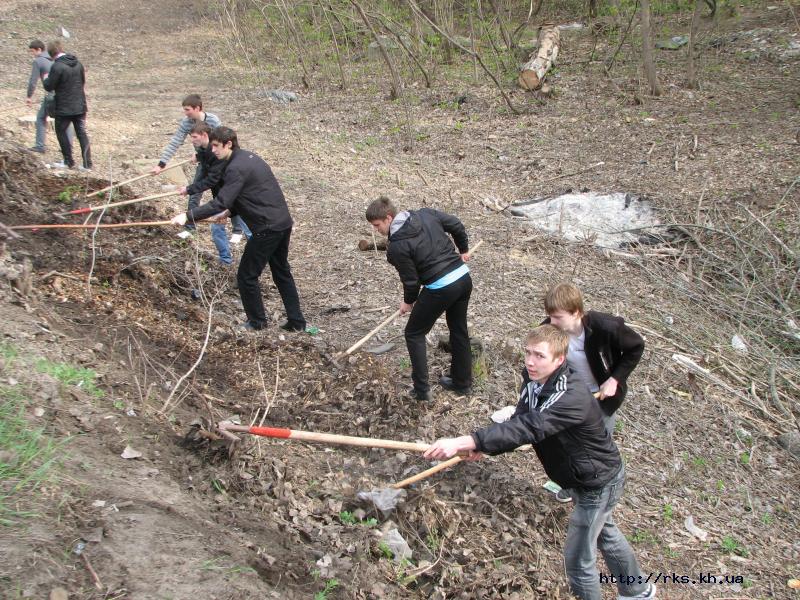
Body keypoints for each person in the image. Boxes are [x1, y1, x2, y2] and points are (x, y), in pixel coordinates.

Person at [424, 325, 656, 600]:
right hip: (582, 476)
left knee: (579, 563)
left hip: (598, 481)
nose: (530, 361)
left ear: (559, 359)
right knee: (605, 532)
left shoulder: (570, 396)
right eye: (528, 353)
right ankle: (638, 591)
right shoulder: (536, 382)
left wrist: (467, 440)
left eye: (539, 356)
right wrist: (483, 447)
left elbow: (532, 427)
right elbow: (521, 419)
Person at [170, 126, 306, 333]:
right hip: (282, 222)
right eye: (212, 145)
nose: (213, 150)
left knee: (246, 276)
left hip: (267, 227)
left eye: (216, 146)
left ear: (228, 144)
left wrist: (188, 216)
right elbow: (250, 194)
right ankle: (297, 322)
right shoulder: (246, 158)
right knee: (281, 272)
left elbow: (220, 202)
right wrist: (229, 212)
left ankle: (257, 322)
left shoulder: (236, 167)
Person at [366, 197, 472, 401]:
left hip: (442, 287)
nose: (376, 230)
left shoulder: (397, 246)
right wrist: (463, 250)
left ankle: (422, 391)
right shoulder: (425, 214)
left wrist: (408, 301)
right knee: (459, 329)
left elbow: (411, 281)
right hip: (463, 278)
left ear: (388, 218)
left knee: (414, 333)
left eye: (377, 225)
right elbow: (456, 224)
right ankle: (462, 383)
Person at [544, 283, 644, 437]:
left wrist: (614, 379)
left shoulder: (605, 327)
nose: (552, 322)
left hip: (601, 398)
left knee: (600, 446)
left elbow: (636, 347)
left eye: (558, 317)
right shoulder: (549, 331)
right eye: (550, 316)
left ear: (576, 312)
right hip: (568, 395)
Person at [179, 122, 252, 266]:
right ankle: (230, 258)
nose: (192, 140)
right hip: (225, 196)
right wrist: (198, 157)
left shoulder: (221, 156)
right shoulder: (206, 151)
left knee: (228, 226)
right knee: (239, 224)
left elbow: (211, 179)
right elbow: (205, 162)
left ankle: (227, 260)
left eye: (194, 137)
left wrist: (190, 190)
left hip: (230, 196)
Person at [42, 40, 91, 170]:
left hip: (64, 107)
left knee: (61, 131)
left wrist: (46, 77)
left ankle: (68, 161)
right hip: (80, 105)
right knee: (81, 133)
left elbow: (49, 86)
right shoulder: (78, 64)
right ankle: (87, 164)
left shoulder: (57, 66)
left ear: (51, 54)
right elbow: (82, 82)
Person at [25, 40, 52, 154]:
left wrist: (29, 96)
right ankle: (68, 146)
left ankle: (40, 146)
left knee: (41, 118)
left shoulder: (38, 61)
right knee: (63, 119)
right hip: (62, 94)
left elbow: (33, 81)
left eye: (33, 52)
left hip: (50, 94)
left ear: (39, 50)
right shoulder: (53, 58)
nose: (33, 54)